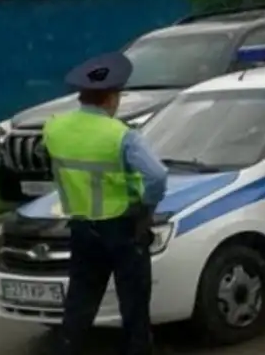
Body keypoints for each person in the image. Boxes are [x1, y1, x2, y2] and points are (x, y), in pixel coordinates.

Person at [44, 52, 168, 355]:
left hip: (82, 229)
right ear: (111, 98)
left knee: (79, 307)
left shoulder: (53, 129)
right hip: (123, 229)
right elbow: (157, 175)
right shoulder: (121, 135)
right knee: (134, 308)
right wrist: (146, 209)